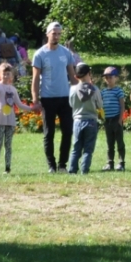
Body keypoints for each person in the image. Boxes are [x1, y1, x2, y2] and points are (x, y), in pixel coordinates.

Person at [30, 22, 79, 174]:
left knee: (67, 131)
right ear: (48, 34)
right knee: (49, 132)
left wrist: (80, 90)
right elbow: (35, 78)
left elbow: (72, 75)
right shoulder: (40, 54)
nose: (56, 36)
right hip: (48, 98)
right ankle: (51, 165)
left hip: (65, 98)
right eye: (54, 33)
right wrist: (35, 99)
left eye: (59, 34)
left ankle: (62, 164)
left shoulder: (66, 53)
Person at [0, 62, 34, 174]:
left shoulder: (12, 89)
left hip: (10, 120)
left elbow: (19, 104)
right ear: (0, 75)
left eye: (8, 74)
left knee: (8, 145)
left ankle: (7, 168)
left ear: (11, 75)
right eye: (4, 74)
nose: (6, 76)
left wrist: (32, 109)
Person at [68, 63, 102, 174]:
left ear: (76, 76)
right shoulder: (95, 89)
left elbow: (71, 104)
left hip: (77, 120)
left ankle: (72, 170)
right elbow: (100, 105)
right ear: (89, 74)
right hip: (91, 120)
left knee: (76, 148)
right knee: (88, 149)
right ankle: (84, 170)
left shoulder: (72, 89)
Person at [100, 67, 127, 171]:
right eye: (106, 77)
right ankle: (110, 163)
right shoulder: (103, 92)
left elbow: (122, 105)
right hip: (108, 120)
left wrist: (120, 119)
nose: (108, 79)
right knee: (109, 143)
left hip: (116, 119)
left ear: (116, 78)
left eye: (110, 77)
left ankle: (121, 163)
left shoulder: (118, 91)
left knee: (119, 142)